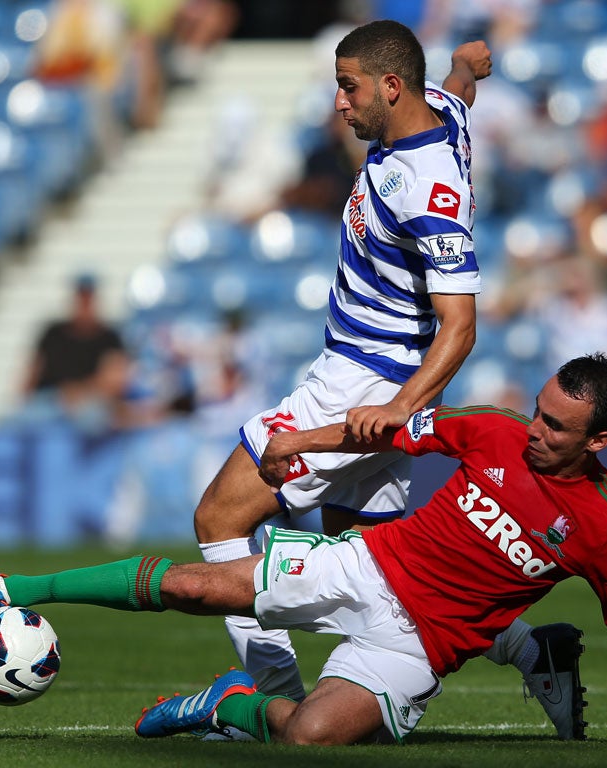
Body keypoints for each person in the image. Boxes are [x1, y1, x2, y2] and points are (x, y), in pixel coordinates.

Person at [0, 353, 607, 748]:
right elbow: (390, 427)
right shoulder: (494, 433)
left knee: (305, 737)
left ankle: (224, 705)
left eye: (557, 428)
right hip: (365, 565)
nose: (536, 432)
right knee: (196, 586)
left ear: (601, 439)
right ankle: (2, 585)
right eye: (539, 414)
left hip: (419, 646)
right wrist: (303, 438)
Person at [186, 19, 491, 708]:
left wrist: (397, 409)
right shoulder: (440, 111)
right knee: (377, 564)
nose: (339, 102)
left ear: (390, 87)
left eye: (348, 87)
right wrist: (465, 63)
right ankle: (535, 651)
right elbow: (458, 90)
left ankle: (275, 698)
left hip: (363, 381)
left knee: (220, 520)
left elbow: (461, 326)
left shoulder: (426, 188)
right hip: (373, 379)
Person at [18, 272, 131, 433]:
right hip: (52, 400)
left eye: (88, 297)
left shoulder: (110, 337)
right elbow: (32, 373)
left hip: (91, 402)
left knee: (92, 418)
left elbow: (116, 382)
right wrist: (23, 402)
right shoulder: (52, 333)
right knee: (22, 418)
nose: (84, 303)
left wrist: (79, 393)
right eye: (81, 296)